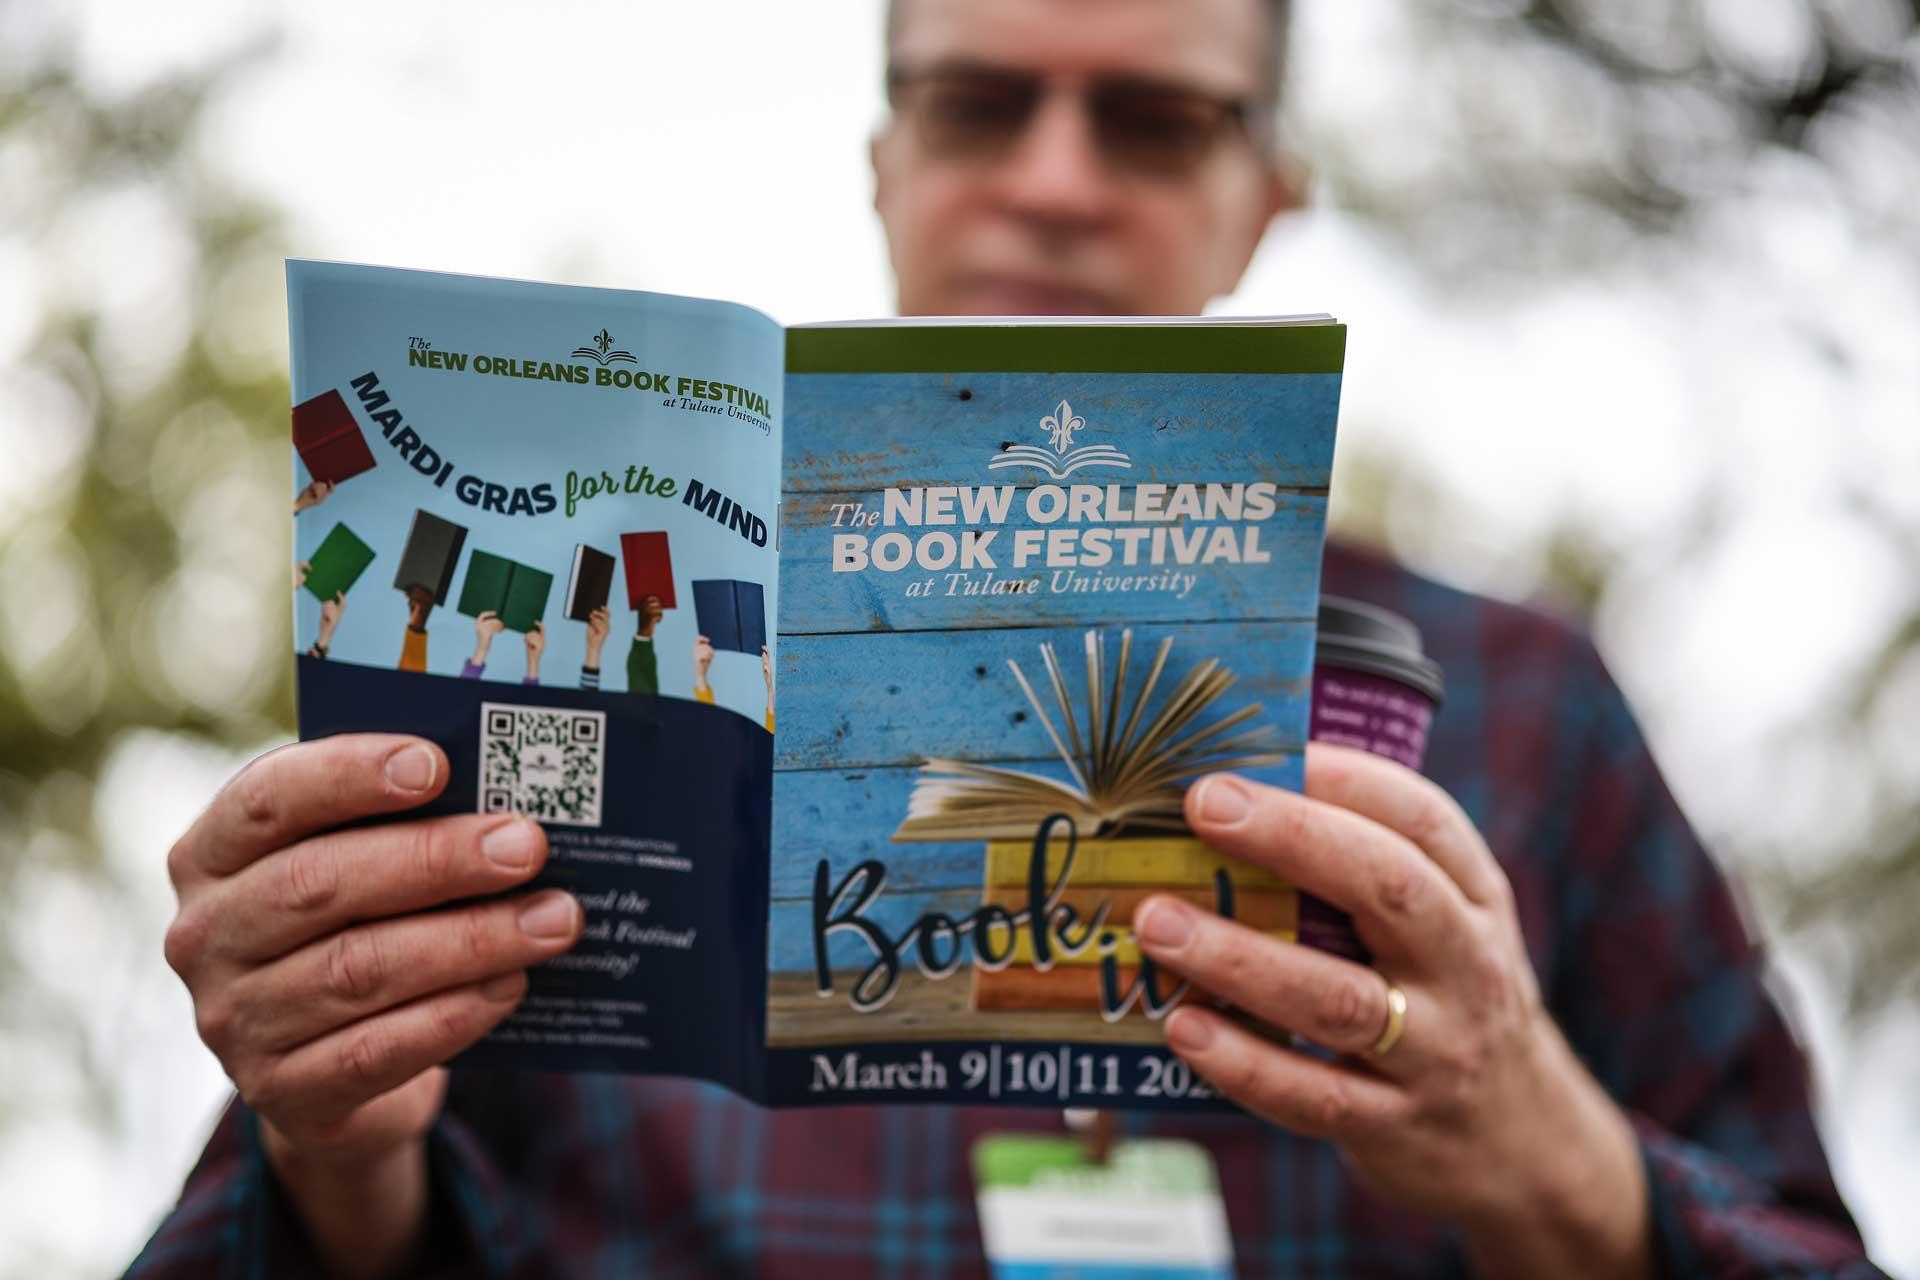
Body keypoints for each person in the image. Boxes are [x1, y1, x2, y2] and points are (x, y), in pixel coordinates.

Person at [129, 0, 1883, 1275]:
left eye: (1151, 121)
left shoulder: (1518, 711)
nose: (1054, 184)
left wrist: (1555, 1166)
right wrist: (333, 1154)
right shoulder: (576, 668)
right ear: (887, 167)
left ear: (1267, 192)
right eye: (979, 107)